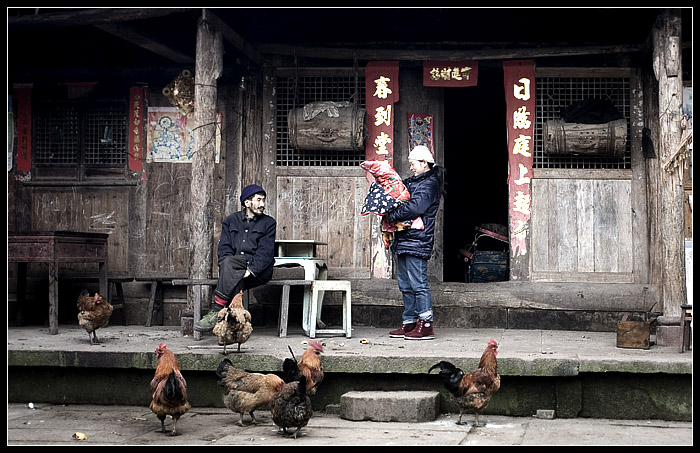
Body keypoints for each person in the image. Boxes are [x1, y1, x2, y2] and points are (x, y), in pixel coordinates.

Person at [194, 184, 277, 333]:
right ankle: (230, 331)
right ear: (247, 202)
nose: (262, 204)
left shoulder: (269, 223)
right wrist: (232, 269)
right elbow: (224, 249)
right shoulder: (230, 221)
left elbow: (266, 254)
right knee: (230, 267)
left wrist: (250, 271)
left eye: (263, 200)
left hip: (258, 270)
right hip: (234, 266)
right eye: (258, 200)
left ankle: (217, 311)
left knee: (233, 272)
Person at [384, 145, 446, 340]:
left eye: (413, 164)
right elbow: (397, 193)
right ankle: (409, 321)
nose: (411, 167)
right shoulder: (413, 182)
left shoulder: (430, 184)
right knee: (405, 284)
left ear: (424, 164)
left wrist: (391, 215)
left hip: (417, 240)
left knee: (418, 284)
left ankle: (426, 324)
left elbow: (415, 207)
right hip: (404, 239)